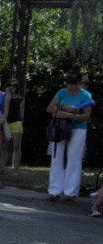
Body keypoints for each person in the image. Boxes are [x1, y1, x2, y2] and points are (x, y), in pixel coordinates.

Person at [46, 72, 94, 201]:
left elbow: (87, 116)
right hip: (60, 127)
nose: (70, 87)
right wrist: (64, 108)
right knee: (57, 157)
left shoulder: (85, 95)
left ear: (79, 83)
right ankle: (54, 189)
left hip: (78, 128)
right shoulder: (62, 92)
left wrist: (69, 115)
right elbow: (50, 108)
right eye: (68, 84)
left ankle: (70, 191)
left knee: (74, 158)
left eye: (73, 84)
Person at [4, 78, 25, 172]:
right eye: (10, 85)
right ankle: (1, 168)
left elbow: (21, 114)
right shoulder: (3, 97)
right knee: (5, 146)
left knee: (16, 146)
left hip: (16, 122)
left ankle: (16, 169)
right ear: (7, 86)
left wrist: (20, 124)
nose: (12, 87)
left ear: (17, 87)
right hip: (6, 123)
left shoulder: (20, 99)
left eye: (15, 85)